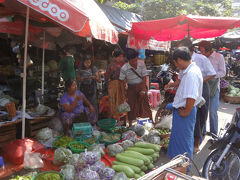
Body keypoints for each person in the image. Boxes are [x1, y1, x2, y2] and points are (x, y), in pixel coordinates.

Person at [178, 38, 216, 152]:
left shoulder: (201, 58)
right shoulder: (182, 60)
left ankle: (196, 143)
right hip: (188, 88)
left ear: (188, 49)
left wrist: (199, 81)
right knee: (191, 115)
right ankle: (190, 140)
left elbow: (212, 74)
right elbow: (180, 77)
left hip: (202, 88)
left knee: (200, 115)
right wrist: (173, 84)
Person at [167, 47, 203, 159]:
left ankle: (183, 169)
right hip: (183, 110)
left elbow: (191, 97)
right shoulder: (188, 70)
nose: (176, 66)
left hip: (185, 112)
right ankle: (177, 164)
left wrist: (186, 112)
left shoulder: (191, 74)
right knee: (180, 139)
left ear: (179, 59)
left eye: (175, 63)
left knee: (183, 141)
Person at [119, 48, 152, 127]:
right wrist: (123, 94)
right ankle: (130, 124)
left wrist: (143, 90)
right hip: (131, 88)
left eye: (136, 60)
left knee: (145, 105)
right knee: (131, 106)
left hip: (141, 86)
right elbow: (121, 81)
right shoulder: (124, 68)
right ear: (128, 60)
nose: (135, 62)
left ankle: (151, 121)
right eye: (132, 61)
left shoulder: (141, 64)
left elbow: (144, 77)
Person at [199, 41, 226, 135]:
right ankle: (203, 131)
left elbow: (223, 72)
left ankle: (214, 133)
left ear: (209, 50)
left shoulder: (219, 57)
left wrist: (211, 76)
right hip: (203, 86)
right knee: (203, 110)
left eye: (203, 51)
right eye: (200, 51)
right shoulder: (201, 58)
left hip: (214, 87)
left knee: (213, 112)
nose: (201, 53)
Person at [76, 55, 101, 119]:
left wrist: (94, 77)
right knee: (84, 105)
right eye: (86, 62)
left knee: (93, 105)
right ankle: (86, 120)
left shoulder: (94, 68)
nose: (87, 64)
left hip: (92, 90)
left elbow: (99, 80)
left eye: (89, 62)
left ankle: (94, 120)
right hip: (83, 90)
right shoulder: (80, 69)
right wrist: (82, 79)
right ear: (83, 62)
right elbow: (78, 79)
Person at [105, 48, 126, 121]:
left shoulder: (123, 65)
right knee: (113, 104)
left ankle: (120, 121)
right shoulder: (110, 66)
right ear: (115, 57)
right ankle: (111, 121)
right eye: (119, 57)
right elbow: (106, 78)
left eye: (122, 56)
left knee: (121, 103)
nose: (121, 58)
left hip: (121, 86)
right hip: (113, 86)